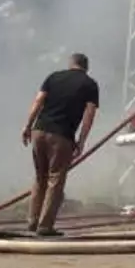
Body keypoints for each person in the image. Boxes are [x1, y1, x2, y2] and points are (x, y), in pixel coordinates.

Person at [21, 52, 99, 237]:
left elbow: (38, 101)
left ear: (71, 64)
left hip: (39, 131)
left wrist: (27, 126)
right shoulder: (89, 84)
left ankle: (32, 221)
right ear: (86, 67)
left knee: (40, 177)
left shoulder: (53, 77)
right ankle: (45, 226)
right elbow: (89, 115)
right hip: (61, 136)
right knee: (55, 180)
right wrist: (81, 141)